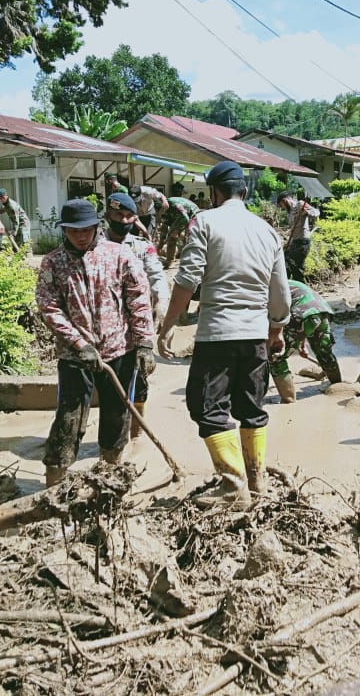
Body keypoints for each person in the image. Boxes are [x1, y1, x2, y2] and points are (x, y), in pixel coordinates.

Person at [157, 160, 290, 508]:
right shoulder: (267, 231)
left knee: (207, 406)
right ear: (244, 192)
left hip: (217, 334)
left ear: (214, 192)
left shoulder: (204, 221)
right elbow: (281, 293)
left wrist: (168, 326)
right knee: (251, 406)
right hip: (255, 335)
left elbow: (187, 281)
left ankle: (233, 486)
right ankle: (256, 481)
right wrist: (276, 330)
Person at [36, 199, 155, 486]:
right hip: (76, 357)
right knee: (69, 419)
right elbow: (48, 306)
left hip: (119, 351)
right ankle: (54, 483)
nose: (80, 236)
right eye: (73, 231)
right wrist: (78, 343)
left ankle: (110, 476)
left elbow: (139, 299)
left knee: (117, 416)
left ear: (96, 227)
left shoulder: (120, 256)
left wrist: (145, 343)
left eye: (86, 230)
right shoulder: (53, 262)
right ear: (64, 230)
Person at [102, 192, 169, 448]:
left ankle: (136, 436)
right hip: (105, 328)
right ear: (108, 216)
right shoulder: (93, 244)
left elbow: (157, 275)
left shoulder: (141, 246)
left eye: (129, 216)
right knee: (107, 386)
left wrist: (162, 302)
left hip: (136, 326)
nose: (123, 220)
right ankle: (111, 438)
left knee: (139, 379)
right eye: (118, 215)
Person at [270, 280, 343, 403]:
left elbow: (277, 316)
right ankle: (338, 388)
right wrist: (302, 344)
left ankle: (288, 400)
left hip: (302, 314)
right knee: (323, 352)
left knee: (276, 356)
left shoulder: (267, 289)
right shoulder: (285, 282)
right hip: (322, 311)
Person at [277, 192, 320, 283]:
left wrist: (307, 212)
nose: (282, 208)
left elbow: (316, 212)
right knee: (285, 264)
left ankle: (303, 289)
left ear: (285, 200)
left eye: (282, 205)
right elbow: (292, 227)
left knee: (296, 267)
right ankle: (287, 287)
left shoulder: (300, 204)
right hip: (294, 242)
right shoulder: (289, 213)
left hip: (303, 242)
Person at [160, 195, 200, 267]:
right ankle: (170, 259)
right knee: (172, 236)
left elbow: (185, 219)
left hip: (192, 214)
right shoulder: (163, 212)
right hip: (179, 216)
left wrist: (175, 230)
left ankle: (189, 258)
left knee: (186, 236)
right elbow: (164, 227)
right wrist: (160, 243)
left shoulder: (176, 205)